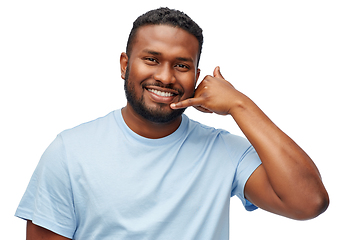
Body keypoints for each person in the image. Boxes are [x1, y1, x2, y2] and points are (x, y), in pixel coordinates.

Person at [16, 7, 329, 240]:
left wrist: (239, 104)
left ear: (196, 76)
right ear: (125, 65)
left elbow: (309, 202)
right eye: (151, 59)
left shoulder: (223, 151)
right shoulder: (69, 151)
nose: (165, 77)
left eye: (181, 65)